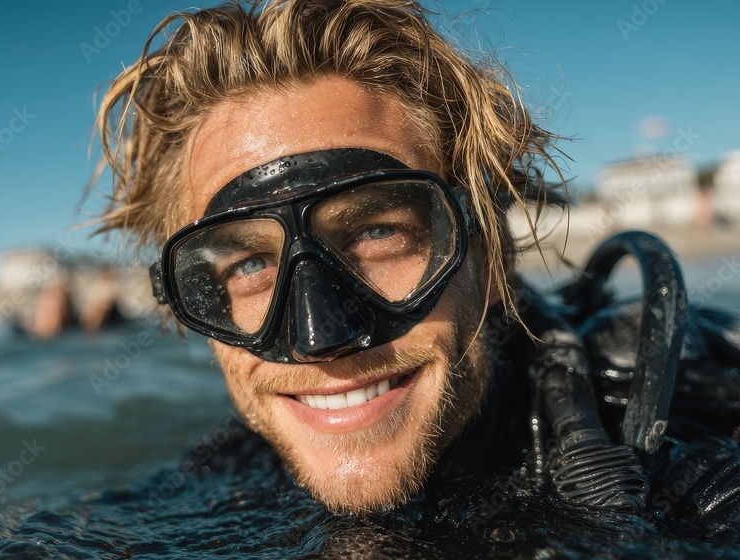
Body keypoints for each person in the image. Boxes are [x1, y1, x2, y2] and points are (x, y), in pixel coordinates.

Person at [91, 0, 740, 536]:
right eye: (250, 263)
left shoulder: (686, 482)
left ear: (489, 260)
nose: (322, 340)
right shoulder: (210, 490)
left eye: (379, 232)